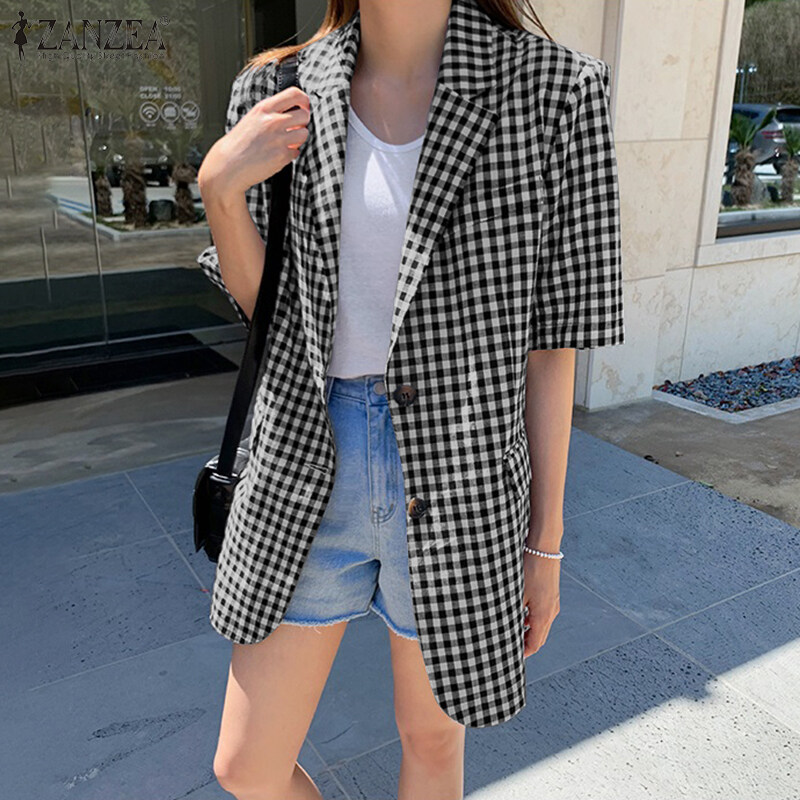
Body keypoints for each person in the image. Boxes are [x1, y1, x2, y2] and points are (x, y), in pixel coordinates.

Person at [196, 0, 624, 797]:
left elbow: (554, 342)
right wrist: (220, 189)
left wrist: (546, 544)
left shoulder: (555, 90)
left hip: (461, 472)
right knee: (246, 766)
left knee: (431, 740)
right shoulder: (277, 90)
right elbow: (271, 317)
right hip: (305, 457)